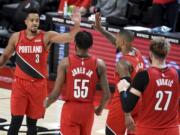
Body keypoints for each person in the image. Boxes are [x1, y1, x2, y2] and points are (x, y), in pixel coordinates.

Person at [0, 2, 81, 135]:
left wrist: (77, 23)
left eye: (37, 20)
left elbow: (70, 38)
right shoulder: (16, 37)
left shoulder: (46, 36)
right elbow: (4, 57)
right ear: (26, 21)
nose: (35, 23)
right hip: (20, 85)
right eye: (32, 20)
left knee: (32, 124)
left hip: (38, 86)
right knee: (15, 122)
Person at [44, 31, 111, 135]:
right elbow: (107, 95)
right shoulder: (99, 64)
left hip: (71, 109)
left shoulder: (65, 63)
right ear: (91, 45)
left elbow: (55, 93)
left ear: (75, 43)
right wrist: (100, 109)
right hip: (88, 111)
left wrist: (46, 104)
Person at [95, 12, 145, 135]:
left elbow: (125, 90)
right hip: (138, 103)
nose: (115, 39)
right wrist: (101, 29)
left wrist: (127, 115)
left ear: (122, 41)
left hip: (122, 107)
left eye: (117, 37)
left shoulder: (122, 64)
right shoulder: (137, 53)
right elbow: (115, 42)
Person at [118, 37, 180, 135]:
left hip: (148, 130)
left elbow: (127, 107)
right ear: (166, 54)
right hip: (172, 130)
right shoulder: (177, 74)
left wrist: (122, 90)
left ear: (150, 54)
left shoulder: (144, 75)